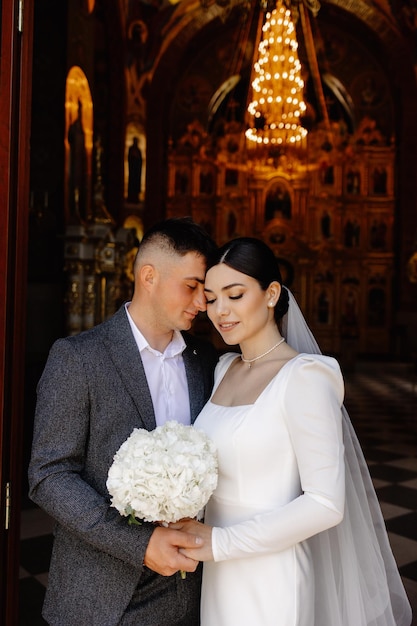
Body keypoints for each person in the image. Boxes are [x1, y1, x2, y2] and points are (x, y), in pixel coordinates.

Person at [172, 237, 412, 626]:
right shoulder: (223, 369)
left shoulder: (305, 377)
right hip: (216, 570)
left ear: (271, 294)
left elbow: (325, 504)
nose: (220, 311)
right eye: (212, 298)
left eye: (235, 295)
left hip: (270, 573)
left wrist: (219, 542)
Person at [28, 217, 219, 626]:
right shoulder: (78, 358)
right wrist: (139, 542)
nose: (203, 303)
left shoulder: (208, 361)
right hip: (101, 596)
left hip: (194, 594)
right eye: (192, 286)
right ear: (148, 276)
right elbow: (49, 474)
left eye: (206, 290)